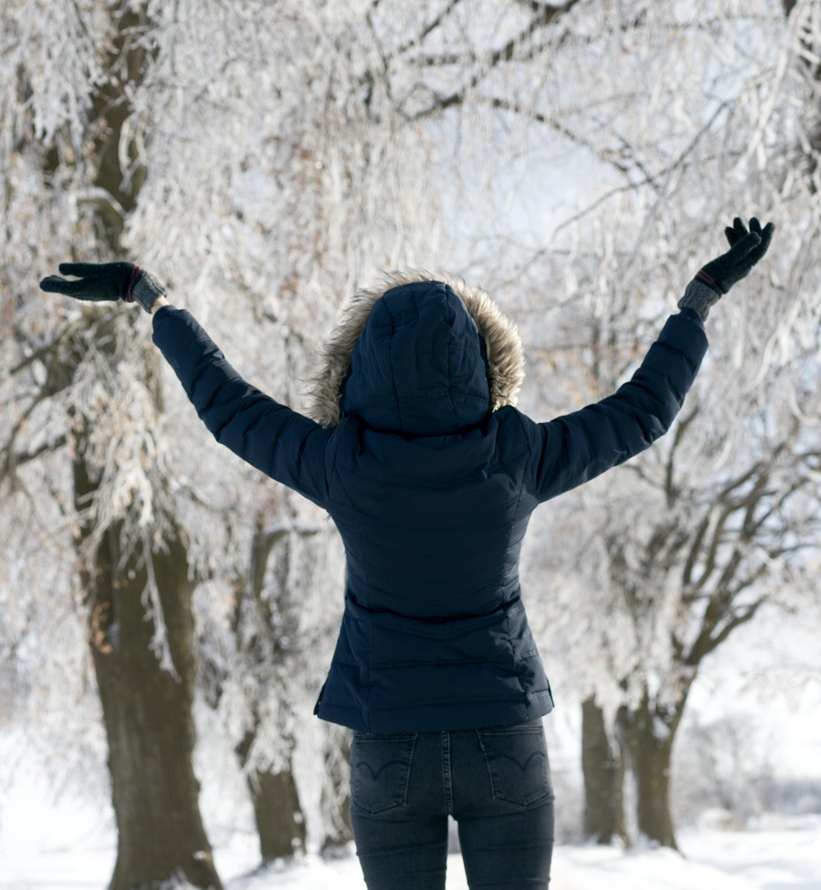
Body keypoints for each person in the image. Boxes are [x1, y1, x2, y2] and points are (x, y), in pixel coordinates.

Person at [40, 216, 774, 890]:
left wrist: (151, 298)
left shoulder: (343, 463)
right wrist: (698, 302)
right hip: (503, 733)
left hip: (388, 738)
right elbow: (642, 410)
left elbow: (228, 406)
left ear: (357, 365)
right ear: (484, 360)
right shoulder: (517, 453)